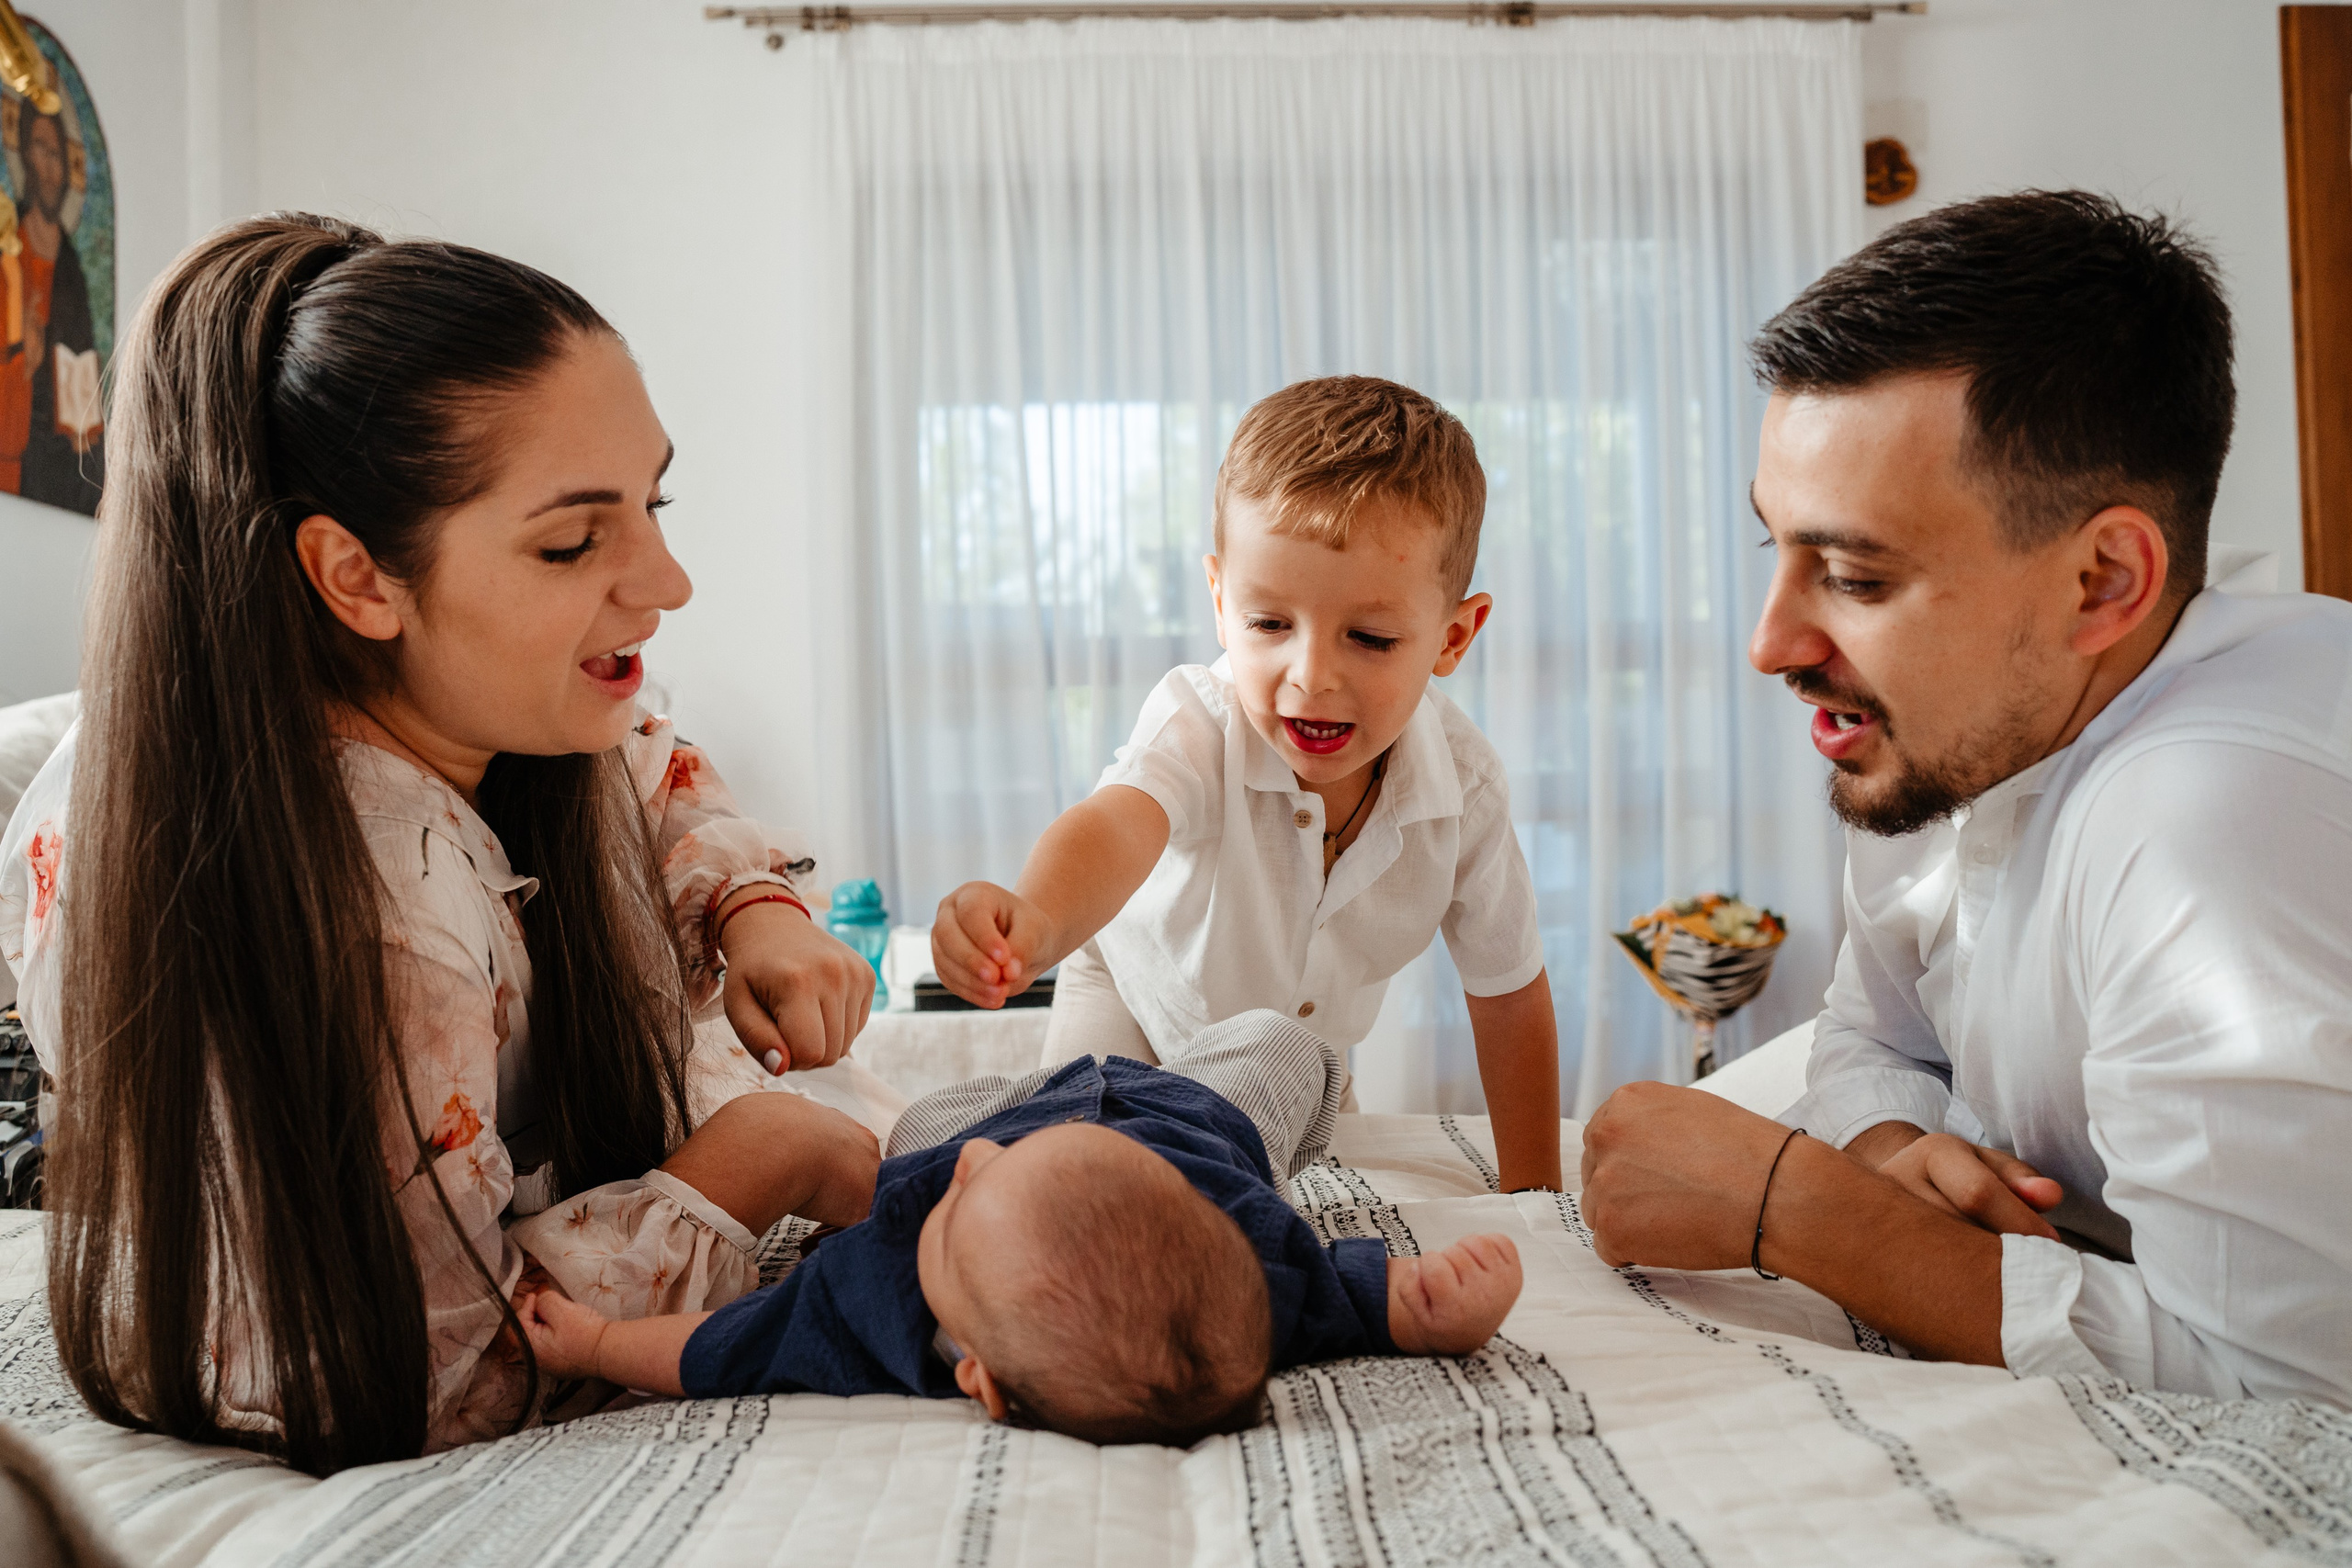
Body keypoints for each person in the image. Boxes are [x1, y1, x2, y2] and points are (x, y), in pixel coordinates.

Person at [0, 214, 882, 1475]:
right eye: (574, 539)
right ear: (357, 579)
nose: (668, 578)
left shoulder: (382, 711)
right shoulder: (374, 913)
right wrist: (758, 1159)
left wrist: (757, 904)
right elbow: (437, 1377)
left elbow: (651, 761)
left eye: (652, 500)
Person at [1578, 191, 2352, 1408]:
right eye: (1775, 547)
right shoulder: (1965, 731)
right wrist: (1890, 1143)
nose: (1771, 641)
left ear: (2102, 579)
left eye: (1852, 573)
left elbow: (2289, 1386)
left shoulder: (2210, 818)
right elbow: (1873, 1030)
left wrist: (1802, 1206)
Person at [932, 376, 1565, 1192]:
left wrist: (1538, 1196)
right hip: (1139, 1009)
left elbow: (1508, 993)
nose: (1312, 676)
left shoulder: (1465, 789)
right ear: (1221, 599)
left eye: (1369, 638)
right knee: (1075, 1190)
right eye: (1269, 624)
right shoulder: (1202, 722)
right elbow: (1116, 825)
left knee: (1285, 1218)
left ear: (1453, 636)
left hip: (1300, 1054)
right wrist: (1038, 921)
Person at [515, 1011, 1525, 1445]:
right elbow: (1345, 1291)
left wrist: (601, 1342)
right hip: (1185, 1127)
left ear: (978, 1381)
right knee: (1278, 1043)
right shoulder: (1253, 1273)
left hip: (1010, 1120)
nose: (966, 1176)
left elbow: (716, 1353)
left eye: (954, 1218)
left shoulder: (868, 1305)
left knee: (921, 1129)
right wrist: (1422, 1304)